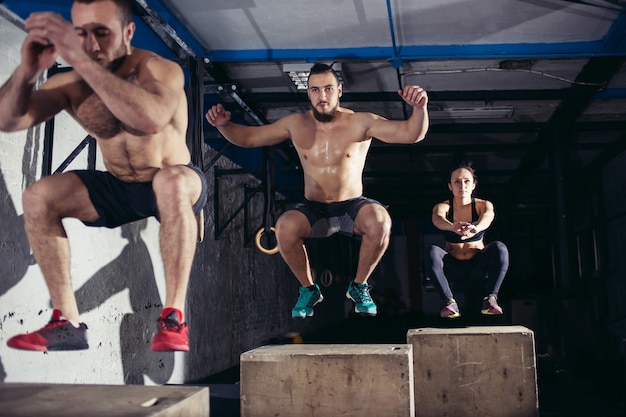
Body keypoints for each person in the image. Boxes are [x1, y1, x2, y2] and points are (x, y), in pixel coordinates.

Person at [0, 0, 207, 352]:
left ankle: (174, 318)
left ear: (128, 33)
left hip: (175, 181)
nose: (91, 45)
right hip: (119, 188)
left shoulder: (159, 70)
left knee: (169, 183)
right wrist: (27, 70)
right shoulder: (73, 84)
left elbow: (152, 118)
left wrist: (80, 61)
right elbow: (9, 120)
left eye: (101, 33)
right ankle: (66, 322)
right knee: (39, 196)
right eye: (80, 35)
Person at [206, 63, 429, 318]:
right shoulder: (295, 124)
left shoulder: (361, 122)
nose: (322, 96)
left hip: (351, 206)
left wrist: (420, 108)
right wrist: (224, 125)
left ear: (339, 91)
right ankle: (309, 289)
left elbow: (412, 134)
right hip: (314, 208)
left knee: (380, 221)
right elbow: (250, 138)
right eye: (315, 90)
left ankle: (359, 286)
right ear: (308, 93)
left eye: (328, 89)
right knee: (284, 227)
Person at [428, 164, 509, 318]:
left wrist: (476, 228)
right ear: (450, 186)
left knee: (500, 247)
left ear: (473, 185)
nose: (462, 186)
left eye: (466, 181)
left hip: (478, 266)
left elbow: (488, 217)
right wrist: (452, 227)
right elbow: (437, 219)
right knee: (432, 251)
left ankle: (491, 299)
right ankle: (449, 302)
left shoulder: (482, 205)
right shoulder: (443, 207)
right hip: (453, 267)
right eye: (457, 182)